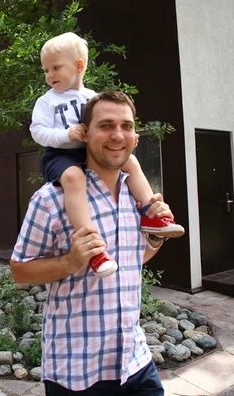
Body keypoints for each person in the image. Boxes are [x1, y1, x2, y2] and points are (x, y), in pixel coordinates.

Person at [11, 91, 175, 396]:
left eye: (126, 127)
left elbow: (135, 261)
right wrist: (71, 262)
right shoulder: (51, 199)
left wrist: (155, 239)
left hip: (134, 363)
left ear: (135, 137)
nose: (117, 135)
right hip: (75, 371)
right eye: (106, 126)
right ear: (85, 133)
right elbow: (20, 270)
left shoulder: (139, 201)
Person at [30, 32, 184, 279]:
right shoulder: (47, 101)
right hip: (60, 155)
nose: (49, 76)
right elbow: (37, 132)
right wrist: (66, 134)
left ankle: (151, 215)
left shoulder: (92, 97)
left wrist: (127, 137)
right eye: (46, 70)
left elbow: (112, 126)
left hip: (87, 152)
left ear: (79, 66)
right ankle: (94, 249)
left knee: (131, 161)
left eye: (55, 68)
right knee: (74, 179)